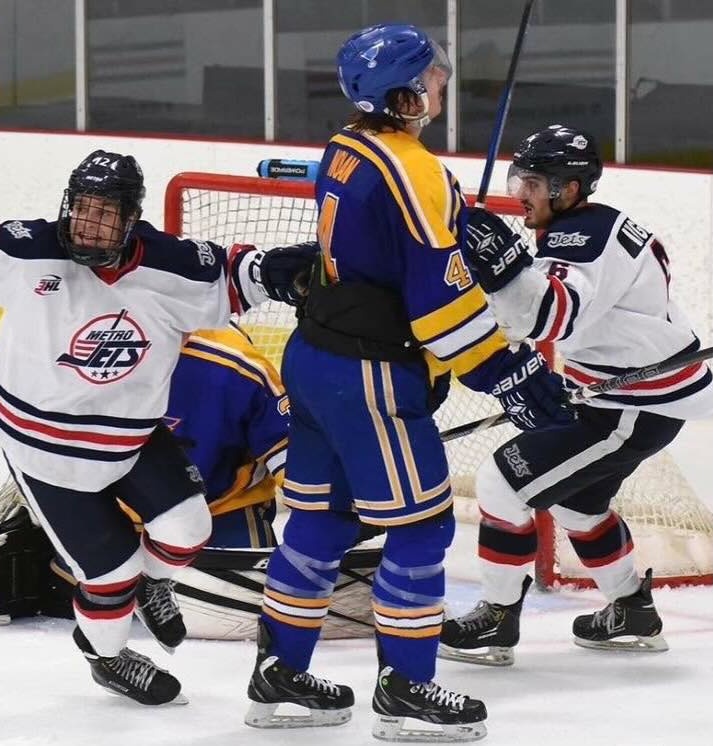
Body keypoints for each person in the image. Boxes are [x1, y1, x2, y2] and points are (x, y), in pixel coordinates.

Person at [0, 146, 316, 705]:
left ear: (130, 217)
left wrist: (282, 271)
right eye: (82, 208)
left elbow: (234, 272)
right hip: (44, 449)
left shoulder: (169, 265)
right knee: (109, 573)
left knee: (189, 527)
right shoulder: (29, 251)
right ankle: (107, 656)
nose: (88, 224)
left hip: (132, 435)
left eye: (105, 212)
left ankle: (153, 583)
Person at [241, 24, 575, 743]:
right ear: (401, 93)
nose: (440, 83)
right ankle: (407, 688)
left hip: (314, 357)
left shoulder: (346, 146)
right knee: (420, 527)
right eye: (429, 76)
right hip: (370, 374)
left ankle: (278, 674)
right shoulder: (416, 172)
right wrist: (506, 369)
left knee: (322, 522)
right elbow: (438, 308)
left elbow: (384, 243)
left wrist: (455, 225)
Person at [440, 125, 713, 666]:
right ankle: (631, 610)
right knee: (575, 502)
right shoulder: (582, 226)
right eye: (520, 178)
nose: (521, 193)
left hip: (634, 405)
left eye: (533, 182)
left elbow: (547, 317)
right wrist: (504, 270)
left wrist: (502, 269)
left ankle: (496, 619)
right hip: (618, 397)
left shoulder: (583, 237)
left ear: (567, 188)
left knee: (502, 481)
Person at [0, 317, 381, 641]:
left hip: (221, 511)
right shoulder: (91, 351)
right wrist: (30, 479)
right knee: (90, 584)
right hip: (116, 512)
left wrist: (342, 506)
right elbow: (42, 424)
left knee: (235, 605)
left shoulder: (235, 367)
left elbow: (295, 462)